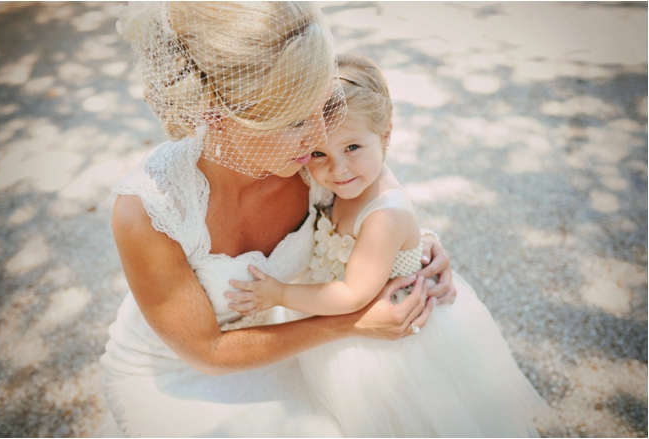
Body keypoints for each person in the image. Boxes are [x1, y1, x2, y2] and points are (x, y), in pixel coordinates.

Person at [100, 3, 455, 437]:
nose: (319, 137)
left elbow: (381, 195)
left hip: (288, 336)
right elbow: (206, 351)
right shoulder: (149, 210)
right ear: (216, 117)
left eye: (320, 105)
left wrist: (415, 246)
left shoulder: (312, 158)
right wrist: (348, 323)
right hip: (180, 374)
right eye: (295, 122)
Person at [227, 53, 553, 437]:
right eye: (319, 153)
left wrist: (279, 293)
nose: (338, 169)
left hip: (386, 334)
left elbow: (352, 294)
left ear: (386, 136)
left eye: (352, 148)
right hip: (338, 314)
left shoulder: (384, 215)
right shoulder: (342, 179)